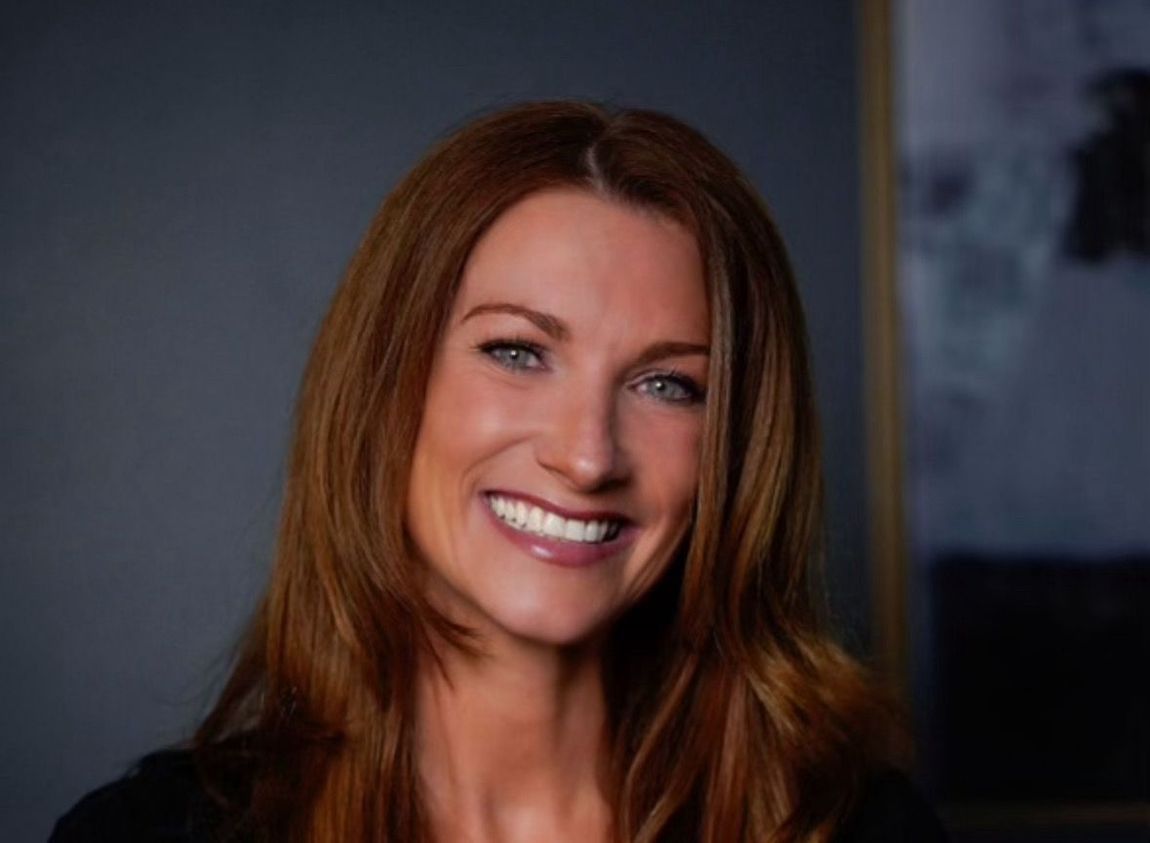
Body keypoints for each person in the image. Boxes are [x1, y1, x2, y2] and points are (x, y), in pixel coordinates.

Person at [51, 101, 947, 842]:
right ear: (385, 386)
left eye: (669, 383)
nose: (588, 454)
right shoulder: (147, 833)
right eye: (518, 352)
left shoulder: (855, 828)